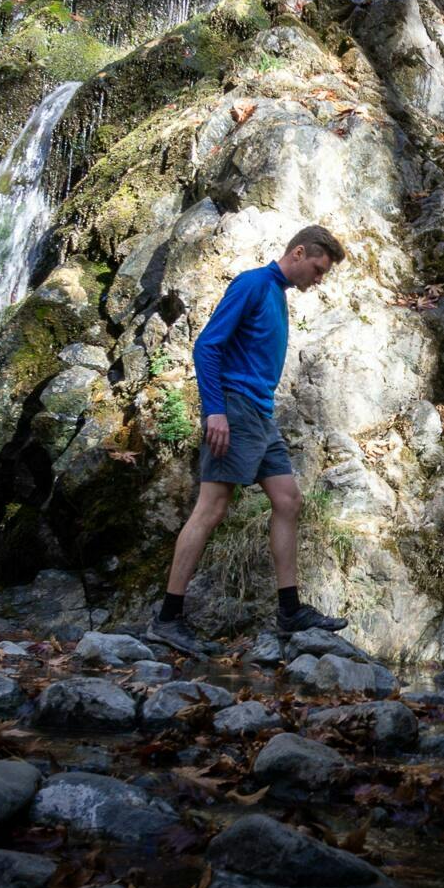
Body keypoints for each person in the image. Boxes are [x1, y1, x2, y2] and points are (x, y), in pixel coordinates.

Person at [147, 225, 351, 656]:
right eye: (318, 269)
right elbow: (207, 346)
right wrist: (214, 410)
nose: (319, 280)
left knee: (288, 500)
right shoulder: (253, 284)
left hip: (260, 414)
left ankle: (290, 610)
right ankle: (167, 618)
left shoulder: (277, 295)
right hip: (235, 409)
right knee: (213, 506)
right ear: (298, 252)